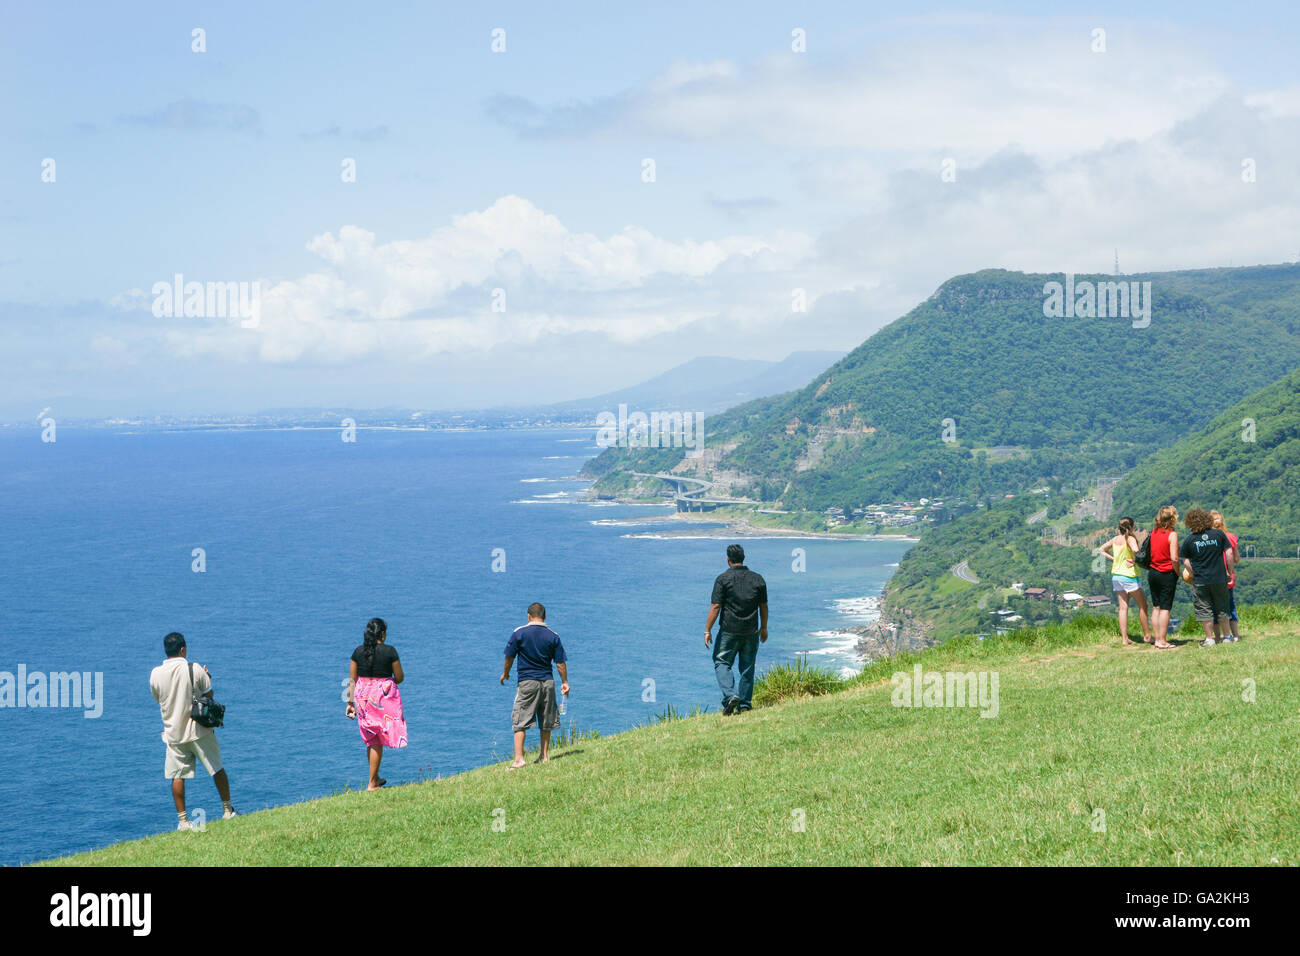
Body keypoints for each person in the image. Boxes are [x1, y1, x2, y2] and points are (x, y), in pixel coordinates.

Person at [149, 631, 237, 830]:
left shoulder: (155, 674)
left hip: (173, 733)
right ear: (183, 649)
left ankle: (183, 821)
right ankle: (227, 810)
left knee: (177, 776)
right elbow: (209, 696)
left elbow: (159, 698)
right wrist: (206, 677)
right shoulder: (194, 668)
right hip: (199, 730)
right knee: (217, 768)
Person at [500, 603, 569, 770]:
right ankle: (544, 756)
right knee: (546, 720)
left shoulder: (519, 633)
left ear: (529, 616)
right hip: (547, 682)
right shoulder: (553, 636)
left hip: (527, 682)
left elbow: (509, 657)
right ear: (544, 616)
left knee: (520, 721)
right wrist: (565, 682)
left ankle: (519, 759)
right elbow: (560, 663)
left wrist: (506, 673)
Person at [705, 544, 769, 714]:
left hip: (729, 630)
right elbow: (763, 606)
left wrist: (707, 630)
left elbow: (716, 606)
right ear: (743, 558)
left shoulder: (722, 579)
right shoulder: (758, 579)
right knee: (747, 666)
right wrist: (764, 627)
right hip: (751, 631)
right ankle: (745, 704)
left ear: (728, 559)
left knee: (722, 661)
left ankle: (730, 695)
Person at [345, 617, 407, 790]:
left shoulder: (357, 652)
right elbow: (400, 677)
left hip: (363, 698)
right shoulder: (390, 651)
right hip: (383, 699)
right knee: (378, 739)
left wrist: (349, 703)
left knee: (372, 739)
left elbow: (352, 680)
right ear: (383, 634)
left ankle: (375, 777)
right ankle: (372, 783)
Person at [1179, 509, 1237, 646]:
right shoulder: (1218, 534)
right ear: (1207, 519)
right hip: (1219, 577)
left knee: (1204, 608)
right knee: (1223, 606)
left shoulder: (1189, 540)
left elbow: (1185, 560)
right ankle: (1227, 636)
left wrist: (1192, 573)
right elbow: (1229, 553)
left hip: (1201, 580)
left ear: (1190, 523)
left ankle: (1209, 638)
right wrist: (1229, 571)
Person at [1098, 517, 1152, 646]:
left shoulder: (1115, 539)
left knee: (1123, 608)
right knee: (1143, 606)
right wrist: (1136, 560)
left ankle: (1124, 639)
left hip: (1116, 576)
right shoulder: (1130, 538)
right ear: (1132, 526)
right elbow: (1136, 551)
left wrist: (1114, 559)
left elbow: (1101, 549)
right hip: (1129, 576)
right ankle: (1147, 636)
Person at [1145, 506, 1180, 649]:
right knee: (1166, 608)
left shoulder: (1154, 532)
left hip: (1153, 572)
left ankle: (1157, 638)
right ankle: (1163, 640)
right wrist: (1177, 572)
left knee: (1156, 607)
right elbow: (1175, 558)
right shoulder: (1172, 535)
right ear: (1173, 519)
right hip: (1167, 573)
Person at [1210, 511, 1242, 642]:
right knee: (1230, 606)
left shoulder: (1209, 539)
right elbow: (1236, 559)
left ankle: (1217, 636)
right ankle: (1234, 634)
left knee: (1214, 607)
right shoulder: (1231, 537)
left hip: (1212, 577)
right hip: (1228, 577)